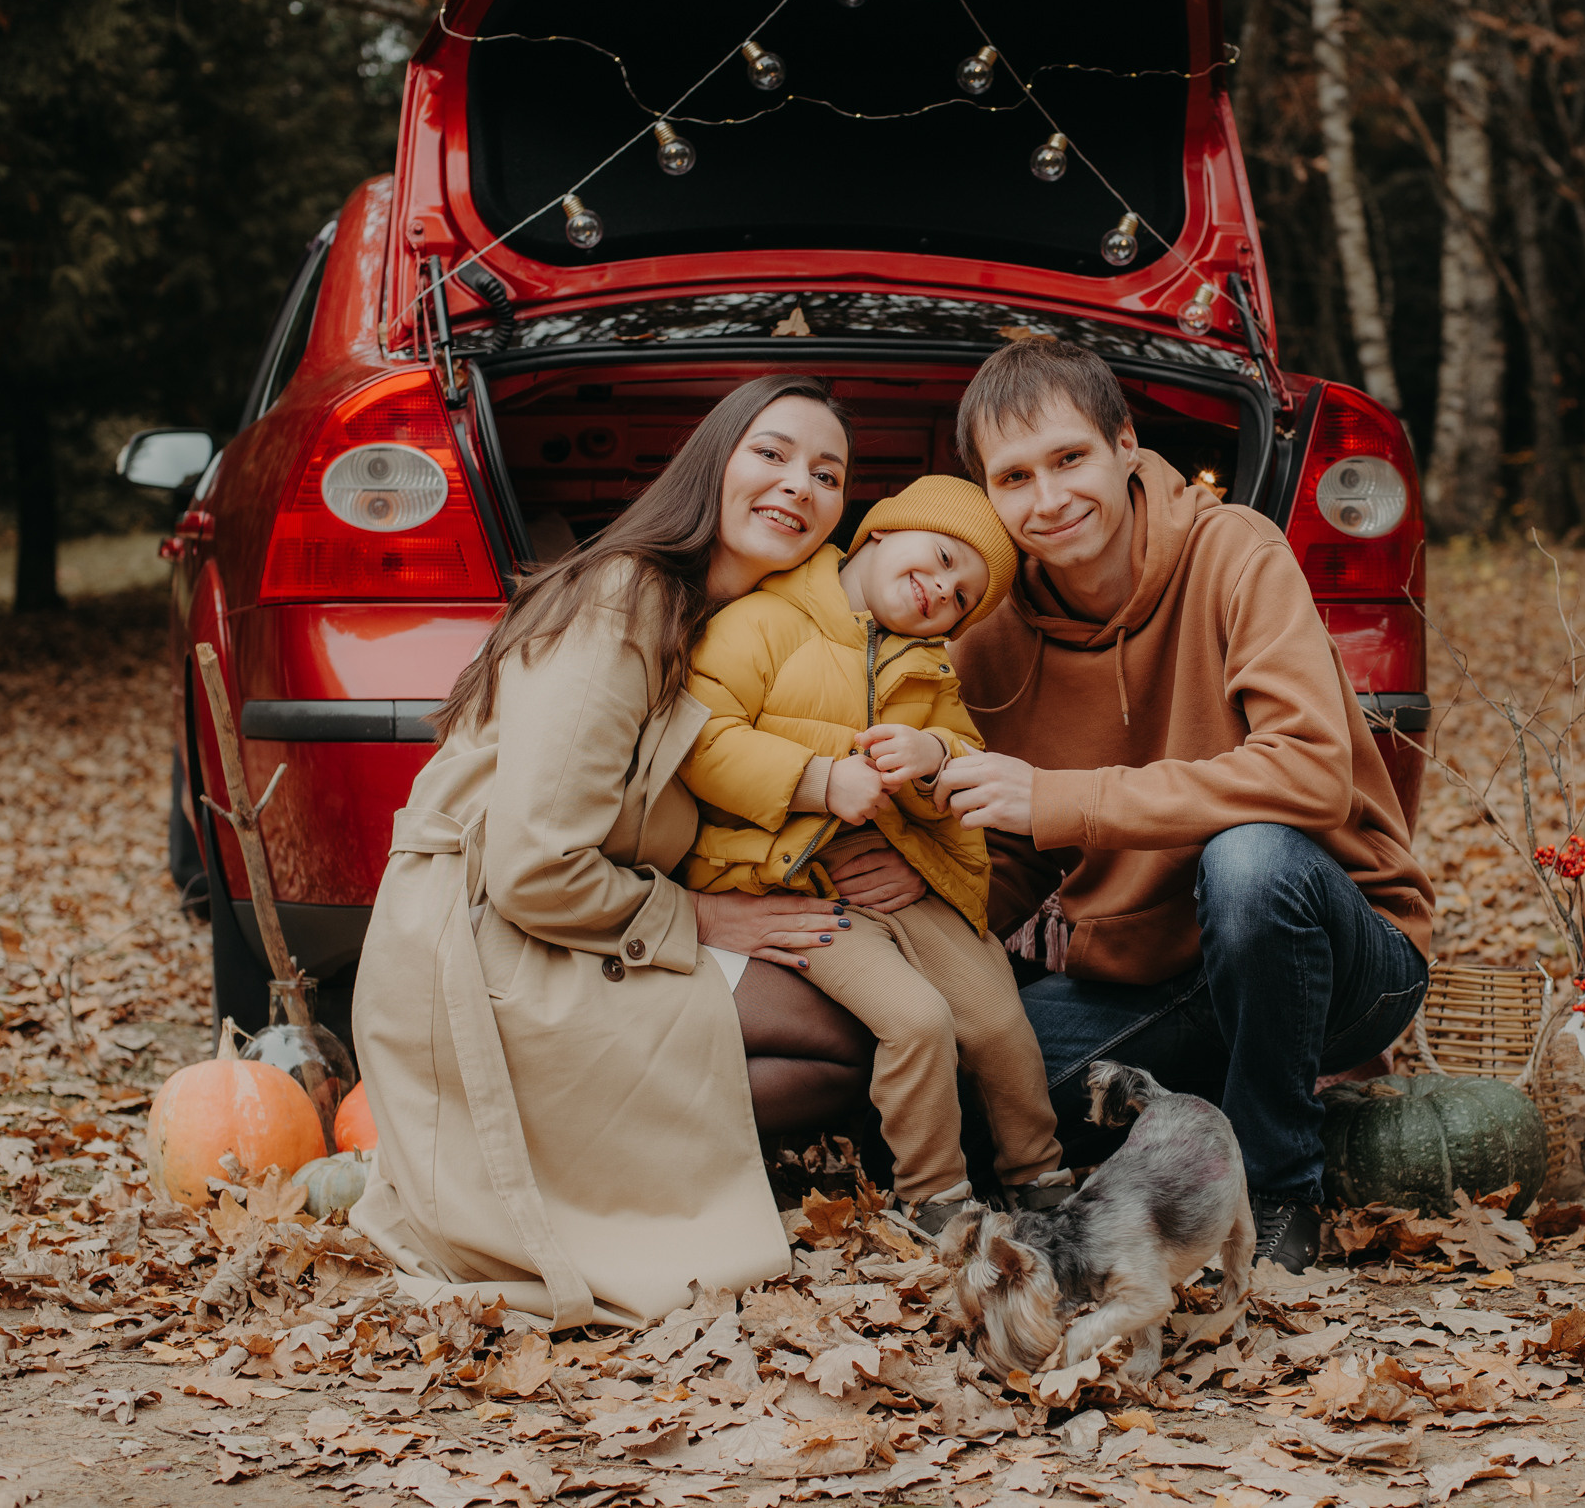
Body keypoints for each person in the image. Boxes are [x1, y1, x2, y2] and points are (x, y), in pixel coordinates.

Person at [350, 374, 929, 1328]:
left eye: (829, 475)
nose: (800, 486)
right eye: (772, 453)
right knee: (843, 1045)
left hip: (564, 926)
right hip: (484, 944)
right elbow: (535, 866)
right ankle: (547, 1157)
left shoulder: (733, 627)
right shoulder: (625, 601)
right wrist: (704, 918)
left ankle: (595, 1151)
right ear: (715, 461)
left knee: (856, 1040)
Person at [935, 338, 1436, 1273]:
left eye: (1070, 458)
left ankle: (1281, 1196)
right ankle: (1203, 1110)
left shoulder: (1235, 553)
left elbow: (1309, 777)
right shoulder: (990, 638)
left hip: (1342, 950)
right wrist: (902, 944)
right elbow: (1013, 858)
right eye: (1014, 478)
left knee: (1250, 860)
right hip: (1152, 980)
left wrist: (1062, 798)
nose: (1049, 499)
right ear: (987, 496)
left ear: (1126, 444)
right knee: (963, 1086)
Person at [680, 476, 1066, 1232]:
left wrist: (931, 757)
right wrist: (820, 781)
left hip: (908, 876)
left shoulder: (928, 666)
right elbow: (701, 741)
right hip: (800, 883)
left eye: (961, 596)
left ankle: (1040, 1177)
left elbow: (963, 762)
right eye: (944, 556)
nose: (942, 588)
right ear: (884, 532)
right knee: (916, 1019)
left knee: (998, 1022)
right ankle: (936, 1198)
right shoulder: (763, 620)